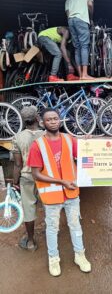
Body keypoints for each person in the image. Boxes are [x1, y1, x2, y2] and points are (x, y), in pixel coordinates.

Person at [27, 108, 91, 277]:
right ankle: (53, 259)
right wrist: (61, 182)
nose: (53, 121)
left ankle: (80, 255)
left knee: (75, 225)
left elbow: (84, 157)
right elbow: (35, 173)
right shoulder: (37, 145)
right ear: (43, 123)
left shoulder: (70, 140)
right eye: (49, 119)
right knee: (52, 228)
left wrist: (88, 144)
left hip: (71, 194)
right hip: (52, 196)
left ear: (60, 120)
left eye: (56, 118)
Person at [12, 106, 44, 251]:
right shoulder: (45, 135)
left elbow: (18, 164)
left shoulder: (17, 138)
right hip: (45, 177)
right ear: (37, 118)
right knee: (50, 207)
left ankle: (30, 242)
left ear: (24, 121)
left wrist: (14, 182)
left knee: (29, 209)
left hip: (27, 177)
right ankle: (52, 235)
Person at [65, 0, 94, 79]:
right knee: (84, 46)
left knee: (77, 47)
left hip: (71, 20)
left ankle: (81, 75)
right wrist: (91, 17)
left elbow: (67, 13)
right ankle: (85, 74)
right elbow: (90, 4)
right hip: (81, 19)